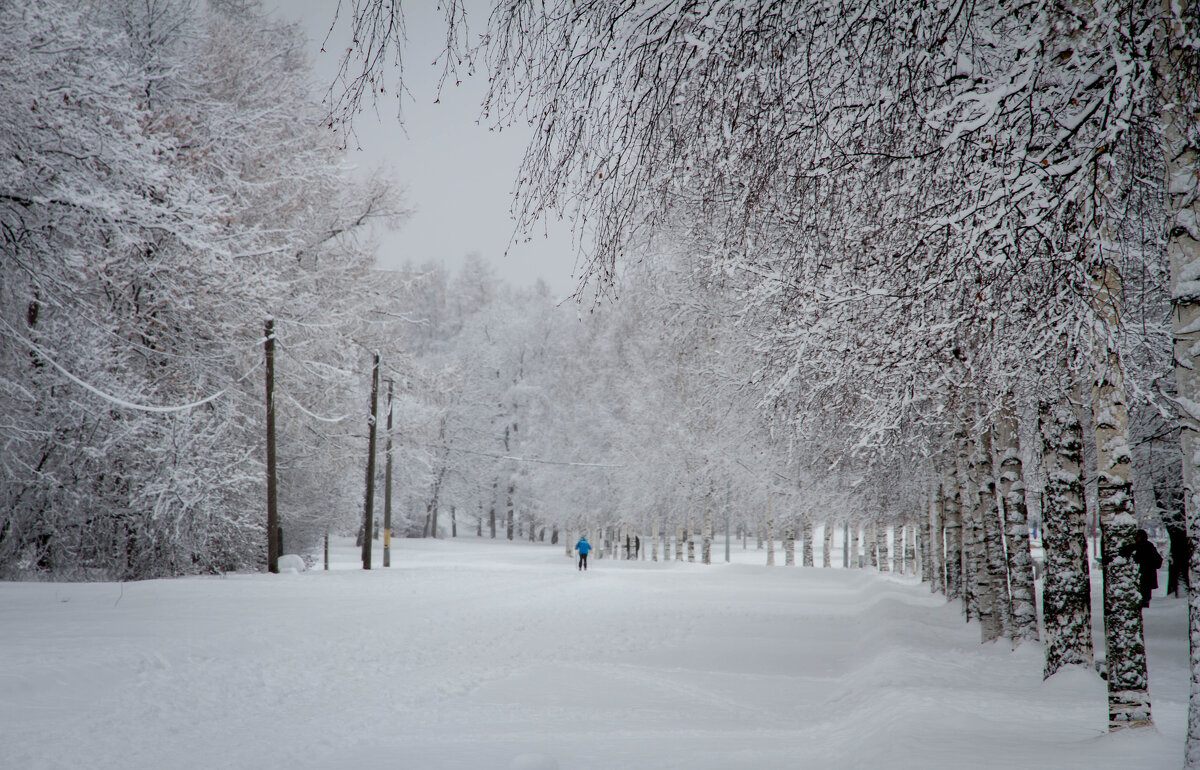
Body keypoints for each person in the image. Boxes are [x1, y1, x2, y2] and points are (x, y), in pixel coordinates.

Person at [1119, 529, 1163, 608]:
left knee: (1144, 594)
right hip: (1147, 574)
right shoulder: (1148, 545)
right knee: (1145, 595)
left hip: (1144, 574)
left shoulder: (1141, 546)